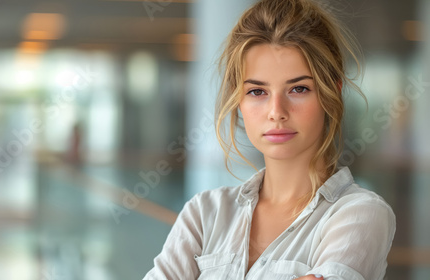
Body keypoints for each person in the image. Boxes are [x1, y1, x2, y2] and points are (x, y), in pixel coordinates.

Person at [143, 0, 396, 279]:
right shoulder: (203, 214)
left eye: (299, 89)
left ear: (331, 92)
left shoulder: (359, 214)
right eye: (257, 92)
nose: (277, 112)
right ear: (237, 98)